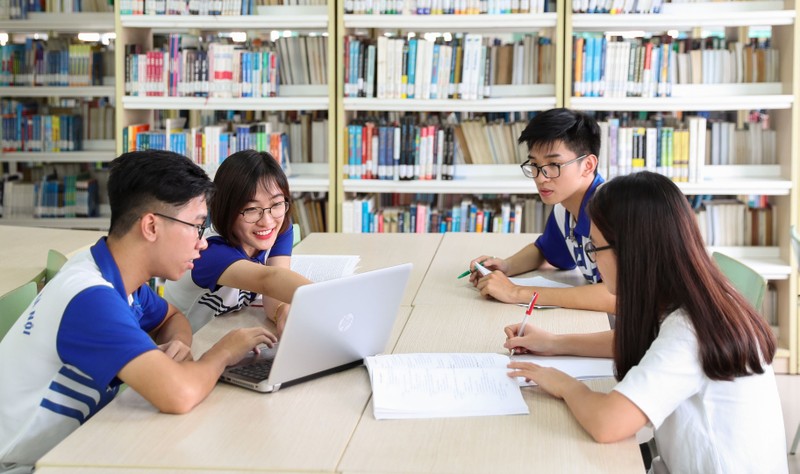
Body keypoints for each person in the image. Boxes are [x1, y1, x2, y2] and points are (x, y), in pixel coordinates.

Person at [0, 150, 278, 473]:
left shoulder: (116, 277)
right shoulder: (90, 299)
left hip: (77, 444)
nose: (202, 243)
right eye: (197, 227)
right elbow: (179, 395)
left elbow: (174, 318)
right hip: (26, 466)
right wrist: (225, 351)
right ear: (150, 226)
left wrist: (181, 346)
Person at [505, 171, 787, 473]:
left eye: (594, 248)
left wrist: (564, 384)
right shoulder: (696, 295)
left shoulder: (690, 331)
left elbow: (608, 423)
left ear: (632, 251)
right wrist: (554, 343)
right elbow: (652, 341)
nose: (594, 261)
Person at [469, 108, 615, 313]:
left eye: (554, 164)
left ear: (588, 165)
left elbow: (617, 297)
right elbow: (545, 252)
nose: (540, 177)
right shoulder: (563, 209)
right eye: (535, 164)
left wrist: (516, 292)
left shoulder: (613, 211)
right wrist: (506, 266)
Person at [163, 150, 311, 335]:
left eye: (276, 204)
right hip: (190, 348)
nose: (267, 220)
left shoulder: (278, 228)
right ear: (227, 209)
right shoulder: (208, 251)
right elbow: (268, 280)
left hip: (225, 336)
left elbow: (274, 289)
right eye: (251, 209)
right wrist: (330, 301)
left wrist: (281, 311)